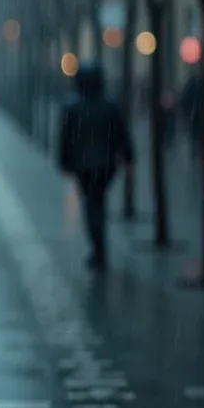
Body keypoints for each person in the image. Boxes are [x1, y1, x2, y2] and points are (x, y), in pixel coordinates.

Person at [57, 63, 134, 272]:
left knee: (91, 204)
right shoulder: (110, 106)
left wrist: (64, 162)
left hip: (83, 166)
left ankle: (98, 249)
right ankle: (100, 248)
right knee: (98, 201)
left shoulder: (72, 108)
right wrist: (128, 157)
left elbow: (65, 138)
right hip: (106, 165)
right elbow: (122, 134)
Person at [179, 72, 203, 157]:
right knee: (196, 135)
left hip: (194, 116)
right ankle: (197, 151)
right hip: (196, 115)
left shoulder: (191, 85)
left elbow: (184, 101)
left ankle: (195, 151)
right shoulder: (197, 86)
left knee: (194, 135)